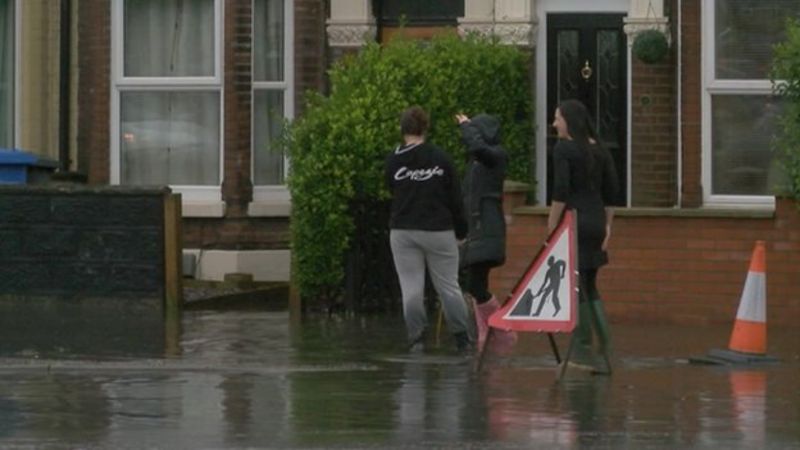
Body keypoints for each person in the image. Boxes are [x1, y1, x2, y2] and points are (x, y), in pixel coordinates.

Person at [385, 106, 474, 353]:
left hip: (403, 230)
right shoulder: (440, 158)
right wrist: (461, 231)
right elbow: (455, 198)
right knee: (448, 285)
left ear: (402, 129)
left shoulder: (393, 160)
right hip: (439, 230)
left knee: (411, 287)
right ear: (426, 128)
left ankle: (416, 339)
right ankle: (461, 339)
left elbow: (391, 189)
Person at [549, 99, 619, 369]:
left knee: (576, 286)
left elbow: (561, 190)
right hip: (597, 221)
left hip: (573, 221)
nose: (554, 123)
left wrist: (552, 225)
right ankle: (605, 346)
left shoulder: (564, 149)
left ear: (570, 121)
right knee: (590, 285)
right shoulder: (600, 149)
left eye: (558, 118)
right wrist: (608, 226)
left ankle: (582, 349)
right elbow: (612, 191)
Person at [455, 113, 517, 351]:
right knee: (474, 283)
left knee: (475, 285)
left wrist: (466, 126)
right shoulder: (475, 164)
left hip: (487, 230)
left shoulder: (495, 156)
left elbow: (479, 148)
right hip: (476, 232)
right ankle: (487, 334)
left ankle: (501, 329)